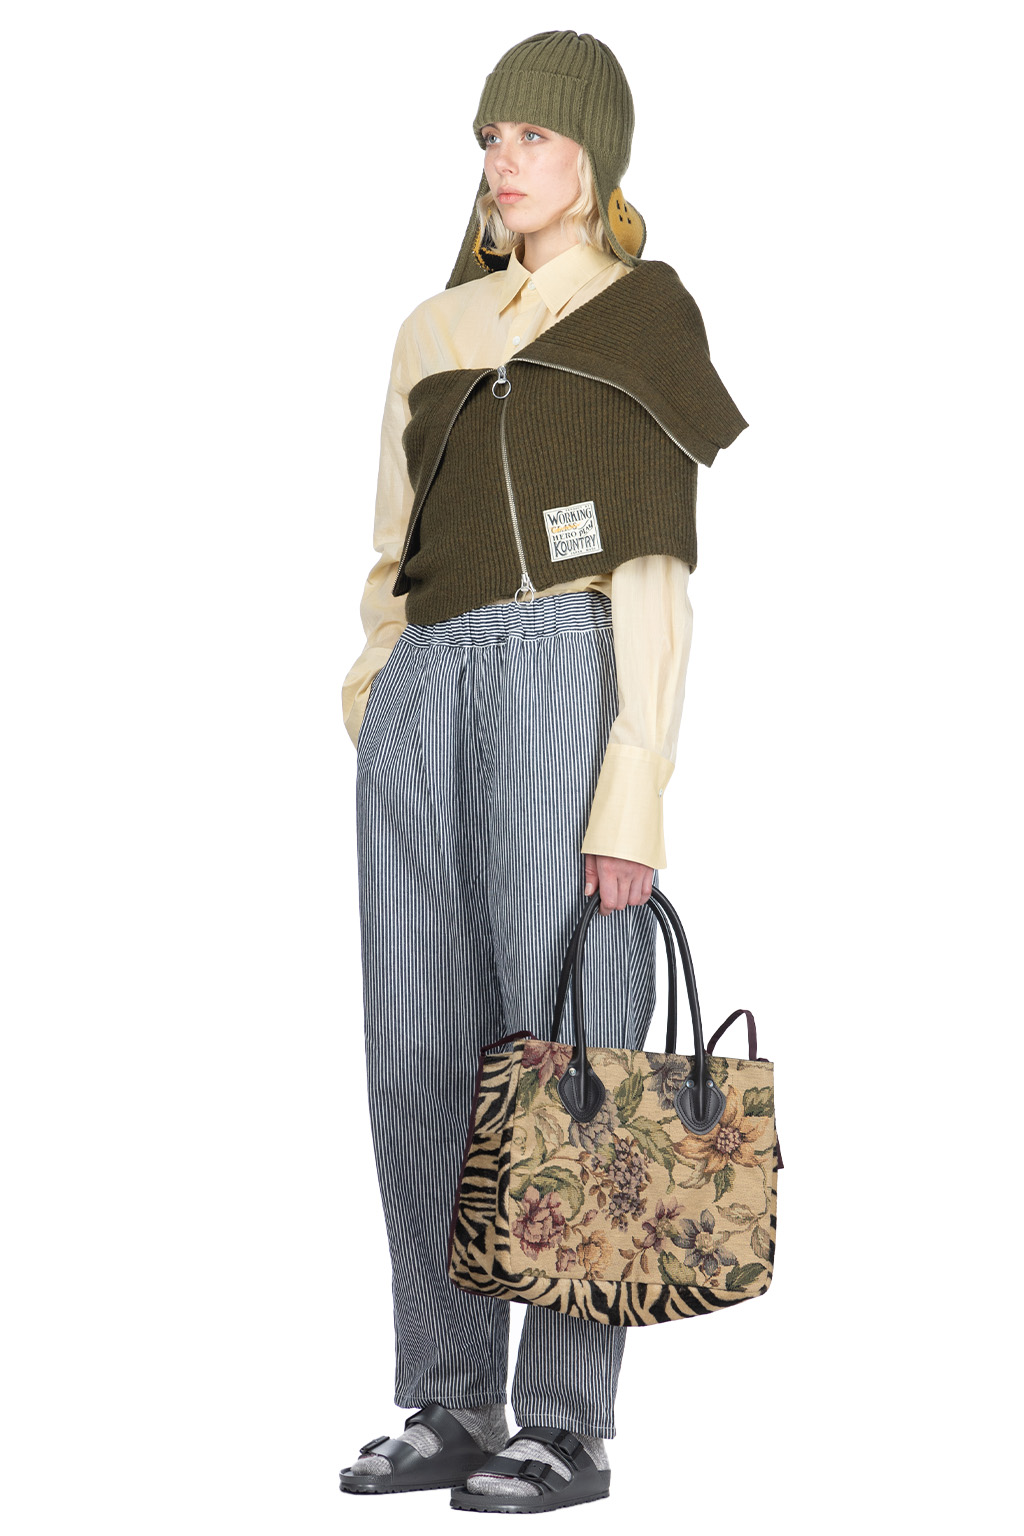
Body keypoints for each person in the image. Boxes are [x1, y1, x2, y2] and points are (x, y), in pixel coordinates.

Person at [338, 29, 747, 1514]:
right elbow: (393, 543)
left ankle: (567, 1424)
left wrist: (634, 781)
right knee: (418, 1055)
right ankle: (452, 1397)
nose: (503, 163)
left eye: (534, 137)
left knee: (571, 1052)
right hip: (429, 684)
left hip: (565, 670)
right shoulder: (433, 327)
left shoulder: (642, 314)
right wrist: (376, 686)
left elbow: (653, 572)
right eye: (490, 138)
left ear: (596, 157)